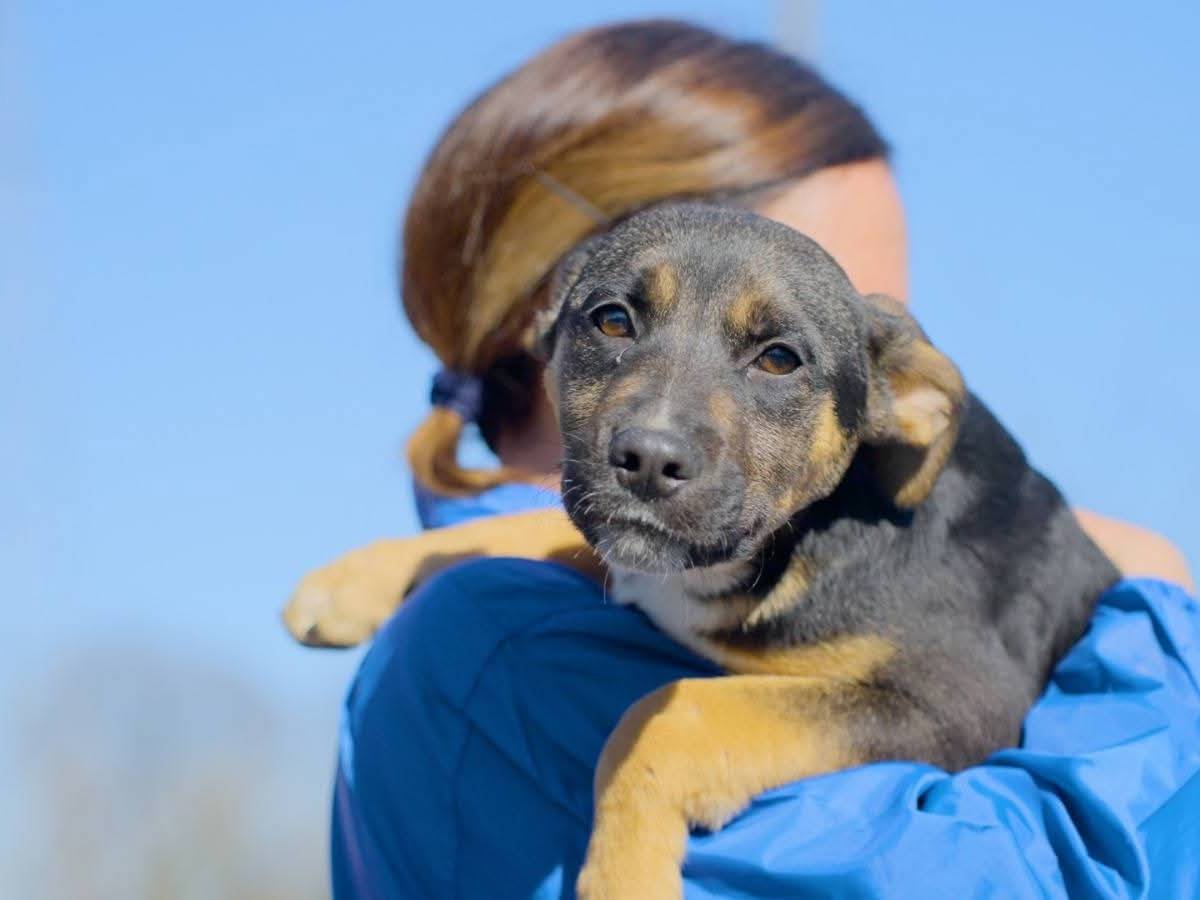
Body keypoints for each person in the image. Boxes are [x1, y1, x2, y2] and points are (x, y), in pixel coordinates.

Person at [327, 21, 1199, 898]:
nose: (663, 433)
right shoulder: (507, 645)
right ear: (549, 307)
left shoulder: (540, 588)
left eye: (782, 355)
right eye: (621, 321)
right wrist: (1153, 632)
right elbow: (996, 880)